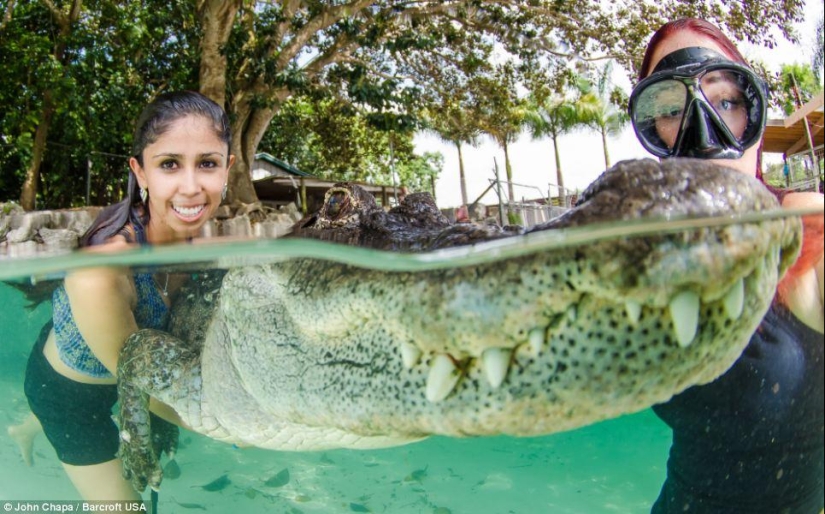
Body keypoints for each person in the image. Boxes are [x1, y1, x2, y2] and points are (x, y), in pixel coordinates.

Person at [628, 18, 824, 514]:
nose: (702, 127)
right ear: (653, 131)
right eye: (672, 109)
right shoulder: (636, 258)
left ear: (752, 120)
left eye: (727, 101)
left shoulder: (806, 231)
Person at [8, 90, 235, 500]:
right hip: (67, 397)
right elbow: (146, 392)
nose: (191, 187)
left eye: (207, 163)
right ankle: (36, 420)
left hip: (100, 361)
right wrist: (238, 425)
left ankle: (24, 426)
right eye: (169, 164)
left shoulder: (211, 246)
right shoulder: (101, 273)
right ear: (140, 172)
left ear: (228, 169)